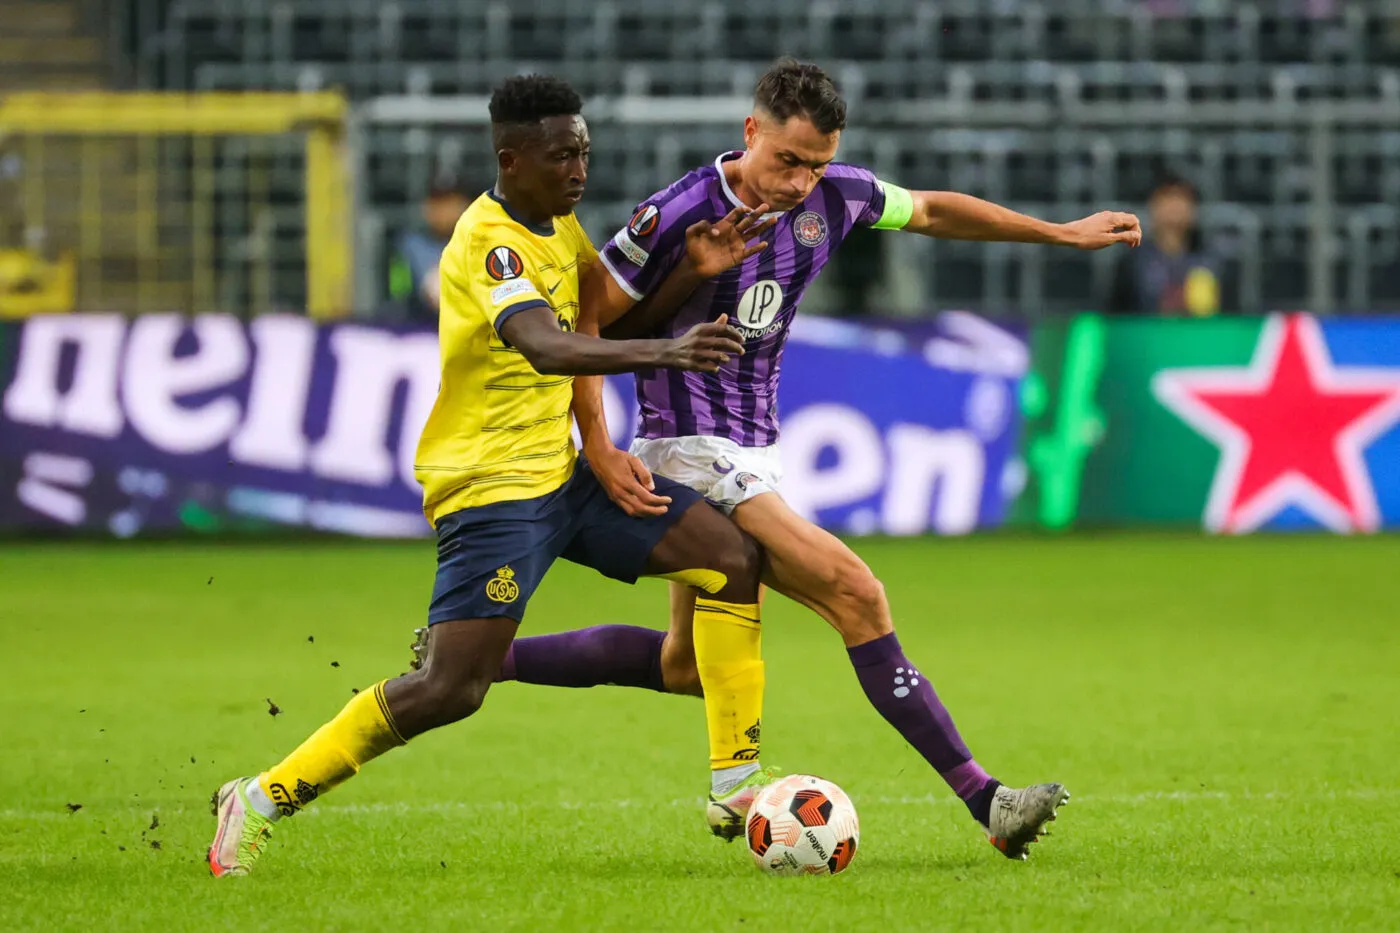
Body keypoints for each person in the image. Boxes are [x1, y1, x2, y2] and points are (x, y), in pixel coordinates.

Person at [493, 59, 1142, 861]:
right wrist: (597, 439)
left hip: (755, 448)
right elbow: (592, 319)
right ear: (750, 132)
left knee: (684, 665)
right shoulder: (678, 211)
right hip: (687, 446)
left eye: (817, 164)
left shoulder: (841, 194)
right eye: (788, 160)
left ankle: (483, 658)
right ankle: (988, 799)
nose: (801, 182)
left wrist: (1060, 232)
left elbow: (932, 209)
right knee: (855, 591)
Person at [207, 74, 777, 877]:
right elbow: (546, 345)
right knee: (450, 688)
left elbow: (600, 324)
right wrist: (668, 351)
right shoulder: (489, 241)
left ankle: (734, 786)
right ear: (511, 160)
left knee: (730, 558)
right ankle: (262, 796)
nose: (579, 169)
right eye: (561, 155)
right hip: (492, 490)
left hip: (564, 475)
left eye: (583, 152)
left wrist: (687, 273)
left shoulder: (560, 225)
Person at [1107, 174, 1231, 316]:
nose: (1174, 208)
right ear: (1153, 207)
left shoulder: (1210, 261)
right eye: (1167, 199)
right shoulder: (1133, 261)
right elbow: (1116, 314)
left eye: (1181, 199)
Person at [387, 170, 475, 322]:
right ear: (426, 207)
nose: (444, 212)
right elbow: (398, 296)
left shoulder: (481, 244)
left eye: (451, 202)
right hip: (419, 328)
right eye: (438, 203)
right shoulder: (409, 246)